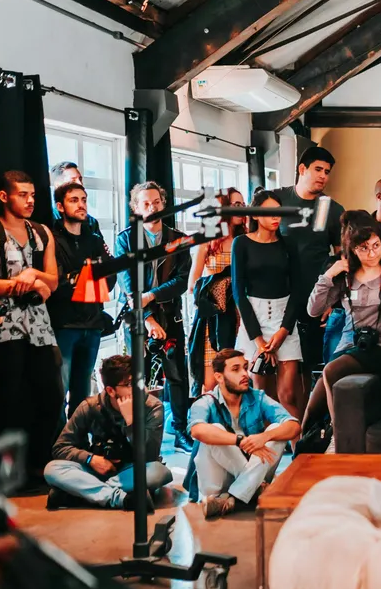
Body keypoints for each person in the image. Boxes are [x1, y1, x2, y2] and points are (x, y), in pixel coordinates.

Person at [301, 218, 381, 445]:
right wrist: (329, 275)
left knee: (330, 371)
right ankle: (306, 450)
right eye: (364, 248)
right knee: (312, 409)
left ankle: (340, 440)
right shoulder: (345, 278)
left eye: (376, 245)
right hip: (350, 348)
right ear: (353, 250)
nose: (371, 253)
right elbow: (313, 310)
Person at [0, 171, 64, 482]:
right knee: (6, 401)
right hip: (5, 325)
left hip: (40, 325)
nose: (29, 201)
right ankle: (5, 474)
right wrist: (22, 283)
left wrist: (35, 277)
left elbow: (54, 278)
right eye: (22, 195)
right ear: (4, 196)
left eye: (33, 195)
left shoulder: (42, 232)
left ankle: (40, 464)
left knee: (51, 396)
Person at [114, 181, 192, 451]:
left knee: (178, 375)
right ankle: (136, 436)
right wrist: (147, 318)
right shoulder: (125, 239)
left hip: (171, 315)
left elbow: (182, 281)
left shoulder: (178, 238)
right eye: (145, 204)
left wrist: (151, 295)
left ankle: (181, 431)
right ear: (136, 209)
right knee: (136, 377)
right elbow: (127, 284)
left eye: (156, 202)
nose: (152, 208)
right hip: (137, 318)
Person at [43, 354, 172, 510]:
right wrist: (91, 459)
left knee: (159, 472)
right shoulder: (90, 406)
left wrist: (131, 422)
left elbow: (150, 455)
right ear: (110, 390)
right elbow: (60, 447)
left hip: (131, 469)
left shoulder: (152, 406)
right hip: (97, 468)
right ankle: (122, 499)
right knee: (52, 469)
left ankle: (81, 493)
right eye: (130, 384)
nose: (140, 388)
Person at [189, 349, 300, 518]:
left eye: (245, 367)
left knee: (276, 430)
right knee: (215, 429)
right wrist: (239, 440)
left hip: (255, 470)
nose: (244, 374)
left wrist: (265, 436)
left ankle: (232, 499)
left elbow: (293, 426)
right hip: (222, 477)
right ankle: (251, 490)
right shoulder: (205, 402)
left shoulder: (257, 397)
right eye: (235, 369)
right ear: (219, 377)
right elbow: (197, 430)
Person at [232, 190, 305, 418]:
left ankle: (299, 451)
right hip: (255, 319)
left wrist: (284, 331)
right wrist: (260, 342)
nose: (276, 217)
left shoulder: (288, 244)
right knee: (262, 395)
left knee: (288, 394)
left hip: (285, 319)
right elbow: (238, 292)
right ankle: (268, 451)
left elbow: (298, 289)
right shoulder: (241, 243)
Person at [276, 146, 344, 378]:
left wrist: (331, 300)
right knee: (280, 370)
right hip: (279, 297)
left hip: (316, 299)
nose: (323, 176)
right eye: (318, 169)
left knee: (314, 368)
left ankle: (314, 415)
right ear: (302, 169)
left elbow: (341, 258)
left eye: (327, 171)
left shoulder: (332, 209)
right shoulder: (276, 200)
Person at [50, 180, 110, 418]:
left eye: (84, 200)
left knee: (82, 392)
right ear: (60, 206)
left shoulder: (94, 238)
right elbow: (57, 283)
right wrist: (84, 278)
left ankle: (78, 442)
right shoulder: (51, 238)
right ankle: (60, 444)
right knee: (59, 390)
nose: (81, 205)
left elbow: (109, 275)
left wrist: (80, 279)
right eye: (74, 200)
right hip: (64, 324)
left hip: (93, 324)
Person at [188, 189, 245, 395]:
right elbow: (192, 285)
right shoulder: (206, 242)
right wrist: (223, 283)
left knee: (238, 379)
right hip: (214, 318)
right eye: (236, 204)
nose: (243, 208)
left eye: (243, 204)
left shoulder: (246, 239)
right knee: (211, 384)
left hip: (242, 316)